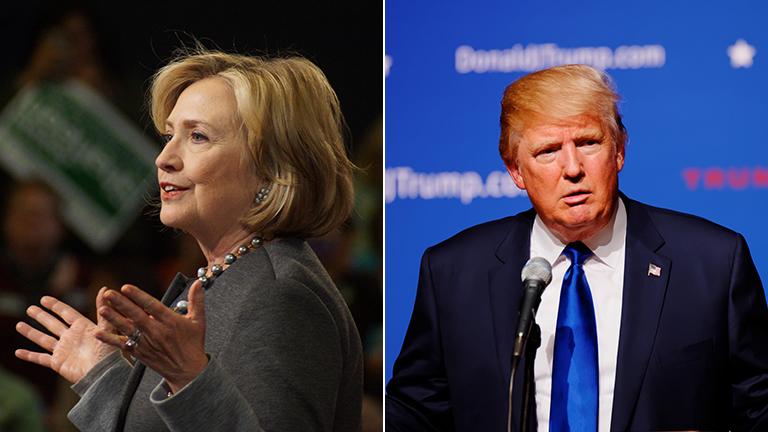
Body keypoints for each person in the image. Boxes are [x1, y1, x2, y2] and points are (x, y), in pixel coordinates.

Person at [386, 64, 768, 431]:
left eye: (588, 143)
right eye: (548, 150)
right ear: (515, 170)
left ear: (619, 150)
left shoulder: (714, 262)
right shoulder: (453, 272)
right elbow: (416, 413)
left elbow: (759, 409)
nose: (572, 168)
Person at [15, 49, 363, 431]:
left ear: (270, 169)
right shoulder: (224, 280)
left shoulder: (282, 296)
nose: (164, 157)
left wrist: (189, 377)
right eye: (169, 135)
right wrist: (102, 376)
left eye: (197, 136)